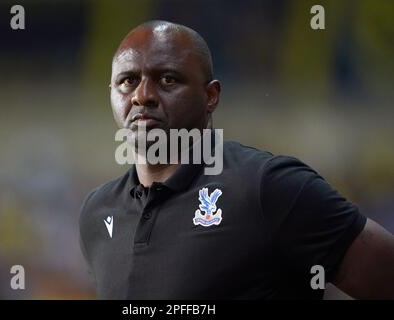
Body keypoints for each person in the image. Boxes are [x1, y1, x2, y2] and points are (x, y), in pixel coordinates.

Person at [79, 20, 394, 299]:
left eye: (168, 80)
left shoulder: (267, 187)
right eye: (128, 81)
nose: (142, 95)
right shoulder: (97, 212)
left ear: (211, 96)